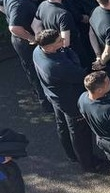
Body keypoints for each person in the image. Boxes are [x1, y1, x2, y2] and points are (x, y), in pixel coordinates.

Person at [32, 30, 100, 172]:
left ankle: (71, 154)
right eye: (59, 41)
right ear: (50, 47)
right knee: (79, 133)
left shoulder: (38, 51)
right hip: (71, 102)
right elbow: (80, 74)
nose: (63, 42)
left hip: (55, 97)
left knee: (62, 125)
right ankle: (88, 163)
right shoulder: (58, 66)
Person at [3, 0, 48, 111]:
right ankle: (45, 103)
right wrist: (31, 38)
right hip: (25, 42)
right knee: (35, 70)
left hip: (19, 40)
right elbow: (14, 27)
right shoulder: (19, 4)